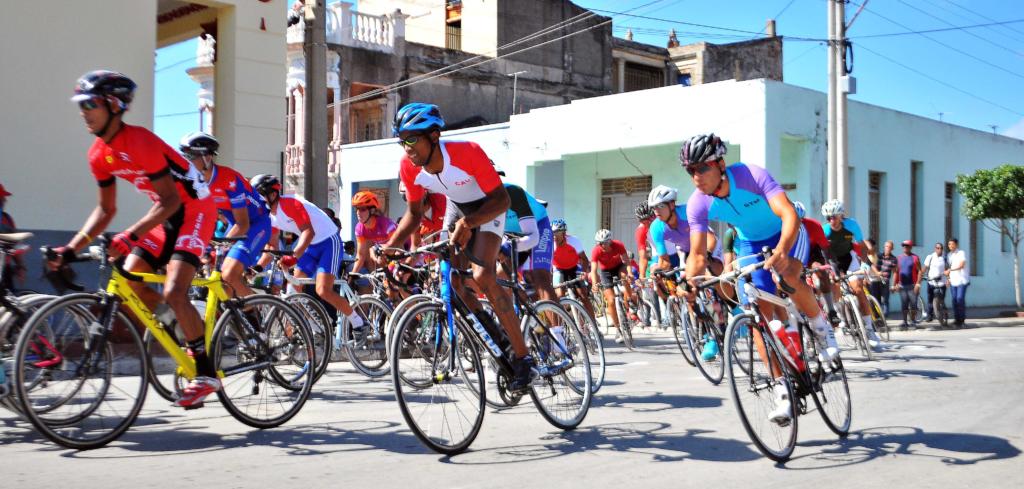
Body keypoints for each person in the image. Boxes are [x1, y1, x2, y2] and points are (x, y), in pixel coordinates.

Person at [55, 70, 219, 408]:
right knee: (128, 280)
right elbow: (105, 211)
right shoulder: (98, 155)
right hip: (163, 216)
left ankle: (205, 373)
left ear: (114, 105)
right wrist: (71, 249)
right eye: (81, 105)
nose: (84, 111)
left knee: (174, 289)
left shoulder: (140, 141)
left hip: (194, 211)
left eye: (91, 104)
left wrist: (131, 235)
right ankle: (182, 322)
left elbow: (172, 200)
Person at [680, 133, 836, 426]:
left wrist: (781, 251)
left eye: (702, 168)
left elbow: (788, 213)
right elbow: (697, 253)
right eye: (690, 171)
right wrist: (689, 282)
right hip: (749, 243)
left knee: (788, 275)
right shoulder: (697, 204)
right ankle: (781, 389)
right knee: (757, 315)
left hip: (786, 232)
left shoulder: (751, 175)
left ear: (720, 164)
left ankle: (820, 326)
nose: (696, 177)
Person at [376, 103, 534, 391]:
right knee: (452, 283)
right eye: (402, 140)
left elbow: (502, 201)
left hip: (488, 206)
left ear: (434, 136)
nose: (406, 147)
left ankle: (523, 357)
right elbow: (413, 215)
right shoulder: (408, 167)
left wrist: (470, 223)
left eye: (412, 139)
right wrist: (389, 246)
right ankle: (497, 339)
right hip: (457, 206)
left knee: (482, 276)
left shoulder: (467, 152)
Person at [250, 174, 365, 335]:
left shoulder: (289, 204)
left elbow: (308, 232)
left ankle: (358, 322)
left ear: (272, 194)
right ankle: (316, 327)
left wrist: (293, 257)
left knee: (323, 290)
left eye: (259, 196)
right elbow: (272, 246)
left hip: (328, 242)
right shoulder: (270, 215)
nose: (256, 201)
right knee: (292, 289)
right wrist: (256, 268)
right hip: (311, 246)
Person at [179, 132, 271, 299]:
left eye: (191, 156)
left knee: (229, 275)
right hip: (234, 224)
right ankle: (231, 321)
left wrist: (218, 248)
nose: (186, 161)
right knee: (220, 284)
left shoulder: (228, 179)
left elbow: (243, 224)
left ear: (207, 157)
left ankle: (255, 319)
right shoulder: (195, 182)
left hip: (256, 224)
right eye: (184, 155)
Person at [821, 199, 882, 349]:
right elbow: (823, 252)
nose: (831, 220)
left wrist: (866, 264)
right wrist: (830, 270)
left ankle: (869, 329)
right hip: (832, 260)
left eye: (834, 217)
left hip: (849, 258)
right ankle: (841, 316)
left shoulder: (852, 225)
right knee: (835, 284)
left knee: (859, 290)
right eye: (828, 218)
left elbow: (861, 247)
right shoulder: (825, 230)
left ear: (841, 215)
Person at [502, 183, 557, 303]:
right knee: (498, 277)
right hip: (512, 235)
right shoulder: (475, 200)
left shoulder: (512, 192)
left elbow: (533, 237)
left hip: (538, 227)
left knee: (540, 278)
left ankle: (557, 322)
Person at [590, 229, 637, 343]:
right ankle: (618, 329)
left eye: (604, 243)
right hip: (606, 272)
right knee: (610, 301)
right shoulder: (596, 251)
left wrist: (630, 273)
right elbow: (594, 270)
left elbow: (626, 261)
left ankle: (630, 300)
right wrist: (595, 284)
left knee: (624, 277)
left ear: (610, 241)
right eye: (599, 243)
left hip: (619, 267)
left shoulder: (618, 245)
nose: (602, 245)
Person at [551, 218, 596, 319]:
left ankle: (594, 327)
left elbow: (584, 259)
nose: (554, 236)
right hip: (559, 270)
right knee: (559, 296)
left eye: (557, 232)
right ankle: (563, 323)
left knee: (583, 295)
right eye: (552, 233)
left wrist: (584, 272)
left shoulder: (574, 241)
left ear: (563, 233)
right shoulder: (550, 245)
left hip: (574, 268)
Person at [350, 190, 397, 283]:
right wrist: (352, 274)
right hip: (387, 254)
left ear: (372, 210)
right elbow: (361, 255)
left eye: (362, 209)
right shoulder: (360, 228)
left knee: (395, 286)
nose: (358, 213)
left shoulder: (386, 224)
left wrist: (390, 269)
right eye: (357, 209)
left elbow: (397, 248)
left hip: (404, 249)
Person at [0, 183, 27, 291]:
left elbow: (15, 245)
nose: (5, 201)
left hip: (4, 269)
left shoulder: (7, 220)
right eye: (2, 198)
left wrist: (20, 266)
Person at [892, 240, 922, 330]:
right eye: (903, 246)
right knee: (904, 304)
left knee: (913, 304)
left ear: (910, 247)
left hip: (912, 285)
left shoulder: (915, 258)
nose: (905, 247)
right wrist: (894, 285)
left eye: (907, 246)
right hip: (902, 286)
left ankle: (912, 321)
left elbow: (920, 271)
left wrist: (918, 284)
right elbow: (896, 272)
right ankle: (904, 322)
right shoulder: (899, 258)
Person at [922, 242, 949, 328]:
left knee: (941, 299)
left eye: (941, 248)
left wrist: (949, 279)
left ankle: (943, 312)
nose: (939, 250)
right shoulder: (930, 257)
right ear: (935, 248)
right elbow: (925, 268)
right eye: (937, 248)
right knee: (930, 300)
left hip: (942, 282)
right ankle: (930, 316)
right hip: (931, 282)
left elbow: (948, 270)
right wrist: (920, 276)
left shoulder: (945, 258)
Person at [945, 238, 969, 328]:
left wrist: (950, 270)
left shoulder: (961, 253)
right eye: (949, 244)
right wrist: (948, 279)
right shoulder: (948, 255)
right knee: (954, 300)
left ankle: (962, 320)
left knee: (960, 299)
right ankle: (957, 320)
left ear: (956, 245)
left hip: (962, 280)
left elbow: (962, 265)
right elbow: (948, 268)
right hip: (953, 281)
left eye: (952, 244)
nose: (950, 246)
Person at [875, 240, 899, 316]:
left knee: (885, 300)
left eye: (889, 247)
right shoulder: (878, 256)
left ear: (892, 249)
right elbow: (871, 265)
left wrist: (893, 285)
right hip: (876, 280)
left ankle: (885, 316)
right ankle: (878, 316)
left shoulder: (894, 259)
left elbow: (895, 272)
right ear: (884, 247)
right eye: (886, 246)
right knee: (876, 299)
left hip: (885, 281)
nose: (887, 248)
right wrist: (876, 273)